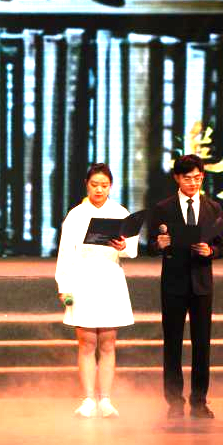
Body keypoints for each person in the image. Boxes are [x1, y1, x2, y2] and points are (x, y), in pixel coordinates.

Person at [54, 163, 137, 418]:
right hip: (83, 280)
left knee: (108, 342)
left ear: (110, 186)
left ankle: (106, 400)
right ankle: (88, 398)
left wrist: (122, 246)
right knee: (87, 342)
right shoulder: (76, 215)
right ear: (86, 185)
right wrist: (64, 286)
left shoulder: (120, 212)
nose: (99, 190)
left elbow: (132, 250)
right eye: (94, 185)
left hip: (110, 279)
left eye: (104, 185)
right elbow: (65, 253)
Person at [148, 154, 223, 419]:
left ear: (202, 177)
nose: (193, 183)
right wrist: (158, 244)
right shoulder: (163, 208)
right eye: (187, 178)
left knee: (202, 344)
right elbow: (150, 246)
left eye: (197, 178)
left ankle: (199, 401)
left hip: (201, 283)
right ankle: (174, 401)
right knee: (172, 344)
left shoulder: (213, 208)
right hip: (174, 283)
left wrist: (211, 251)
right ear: (177, 179)